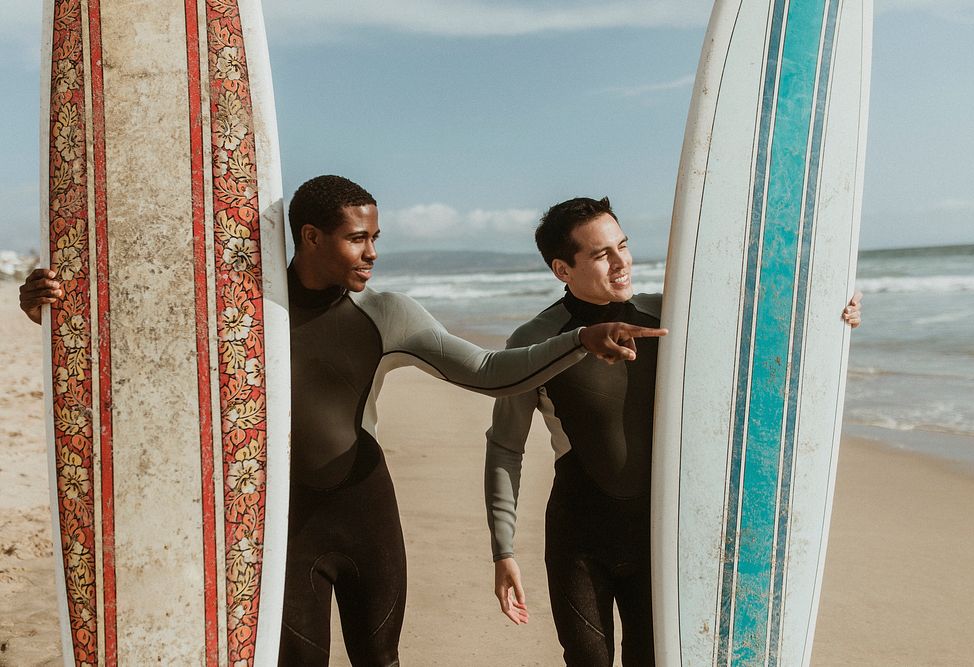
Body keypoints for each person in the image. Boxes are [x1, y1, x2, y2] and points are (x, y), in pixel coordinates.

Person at [20, 176, 666, 666]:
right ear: (311, 238)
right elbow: (131, 342)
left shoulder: (388, 315)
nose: (373, 252)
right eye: (359, 238)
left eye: (376, 238)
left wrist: (581, 340)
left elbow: (489, 371)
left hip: (366, 515)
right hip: (285, 523)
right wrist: (47, 306)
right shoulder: (247, 318)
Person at [484, 196, 862, 665]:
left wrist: (833, 316)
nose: (622, 262)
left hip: (662, 534)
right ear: (563, 269)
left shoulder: (672, 316)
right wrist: (504, 549)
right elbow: (505, 447)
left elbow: (768, 327)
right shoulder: (534, 342)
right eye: (602, 254)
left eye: (622, 245)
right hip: (579, 536)